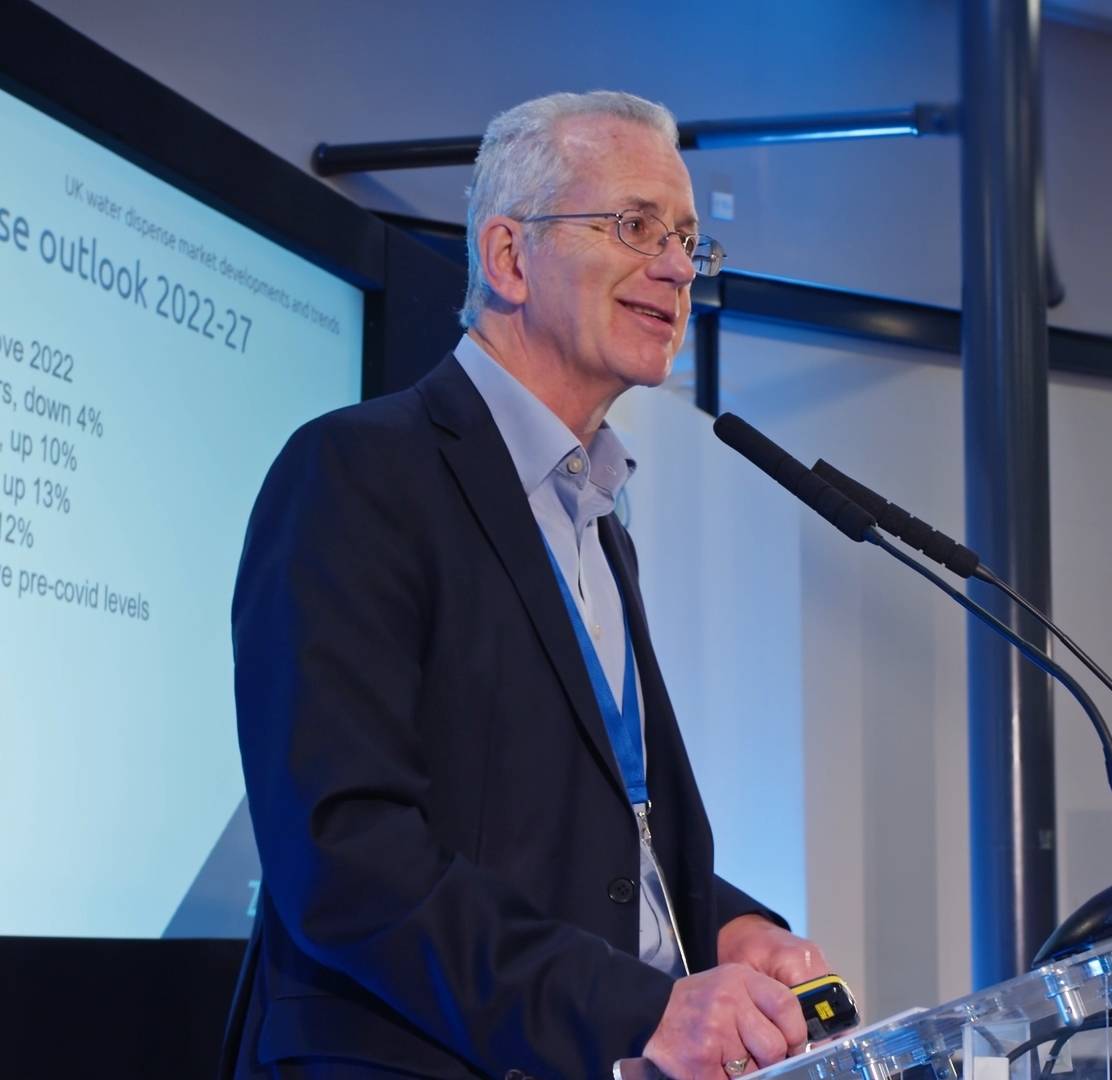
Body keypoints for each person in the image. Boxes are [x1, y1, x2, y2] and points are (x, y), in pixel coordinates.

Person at [226, 90, 831, 1080]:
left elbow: (576, 838)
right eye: (635, 226)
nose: (677, 266)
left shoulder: (595, 512)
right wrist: (642, 1010)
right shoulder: (356, 472)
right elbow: (345, 855)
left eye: (685, 238)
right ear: (508, 257)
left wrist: (726, 931)